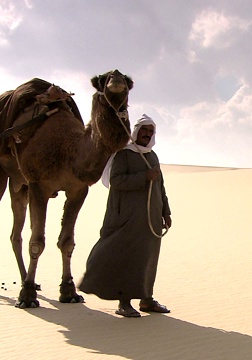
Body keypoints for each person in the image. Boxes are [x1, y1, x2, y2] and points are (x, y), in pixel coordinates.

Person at [79, 114, 172, 318]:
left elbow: (160, 185)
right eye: (144, 130)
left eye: (150, 131)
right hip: (128, 217)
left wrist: (166, 211)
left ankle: (146, 299)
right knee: (127, 258)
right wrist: (143, 177)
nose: (147, 134)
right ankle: (124, 302)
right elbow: (117, 181)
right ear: (136, 132)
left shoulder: (152, 156)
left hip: (152, 218)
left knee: (148, 258)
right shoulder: (124, 154)